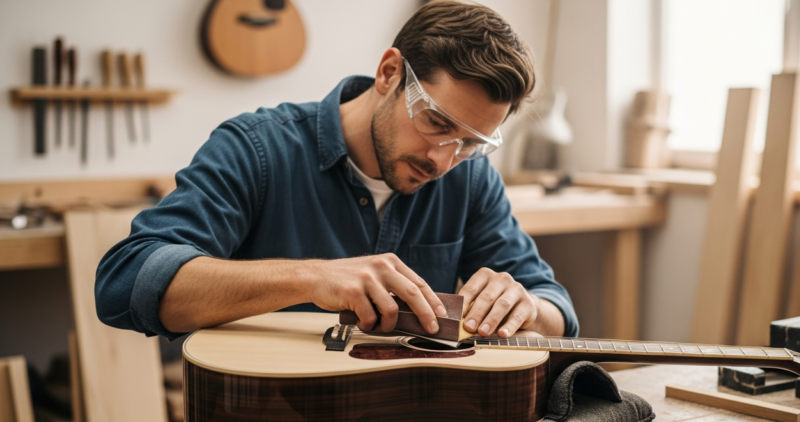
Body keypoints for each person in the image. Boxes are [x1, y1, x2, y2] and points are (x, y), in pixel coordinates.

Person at [95, 0, 578, 342]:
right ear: (390, 73)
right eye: (436, 123)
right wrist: (309, 278)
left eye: (471, 143)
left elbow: (556, 308)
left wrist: (527, 307)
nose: (443, 160)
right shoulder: (258, 149)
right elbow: (123, 283)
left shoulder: (469, 178)